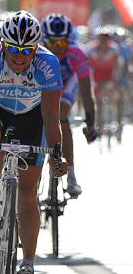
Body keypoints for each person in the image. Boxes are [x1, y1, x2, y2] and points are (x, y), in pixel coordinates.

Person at [0, 11, 68, 274]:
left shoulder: (47, 63)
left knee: (28, 192)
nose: (20, 57)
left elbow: (50, 115)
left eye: (26, 51)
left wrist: (57, 153)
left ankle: (28, 263)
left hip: (32, 117)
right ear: (3, 45)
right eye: (13, 50)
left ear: (36, 49)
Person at [40, 13, 96, 197]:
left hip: (66, 85)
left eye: (61, 43)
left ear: (68, 41)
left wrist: (91, 123)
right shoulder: (38, 50)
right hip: (44, 86)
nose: (56, 48)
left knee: (61, 116)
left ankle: (71, 174)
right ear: (43, 40)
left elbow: (87, 93)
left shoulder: (76, 53)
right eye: (51, 43)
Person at [87, 26, 122, 139]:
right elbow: (88, 68)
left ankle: (118, 122)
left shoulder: (114, 49)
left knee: (117, 97)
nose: (104, 40)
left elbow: (118, 66)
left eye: (106, 38)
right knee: (97, 102)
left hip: (110, 78)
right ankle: (99, 125)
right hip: (97, 78)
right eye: (102, 38)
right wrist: (91, 82)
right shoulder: (91, 49)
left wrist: (116, 81)